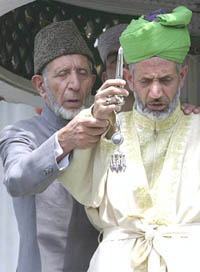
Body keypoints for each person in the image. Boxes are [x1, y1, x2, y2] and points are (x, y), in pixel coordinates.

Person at [58, 6, 200, 271]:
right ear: (128, 80)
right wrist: (94, 118)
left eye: (166, 80)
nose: (156, 92)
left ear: (182, 77)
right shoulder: (104, 131)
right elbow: (66, 169)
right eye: (146, 81)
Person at [0, 20, 109, 272]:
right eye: (62, 74)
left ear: (92, 80)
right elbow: (16, 179)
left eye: (82, 74)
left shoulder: (106, 133)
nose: (74, 84)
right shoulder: (21, 133)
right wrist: (64, 140)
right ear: (40, 85)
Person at [97, 23, 200, 114]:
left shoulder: (188, 119)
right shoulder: (95, 121)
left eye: (133, 57)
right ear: (105, 78)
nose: (125, 64)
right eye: (116, 61)